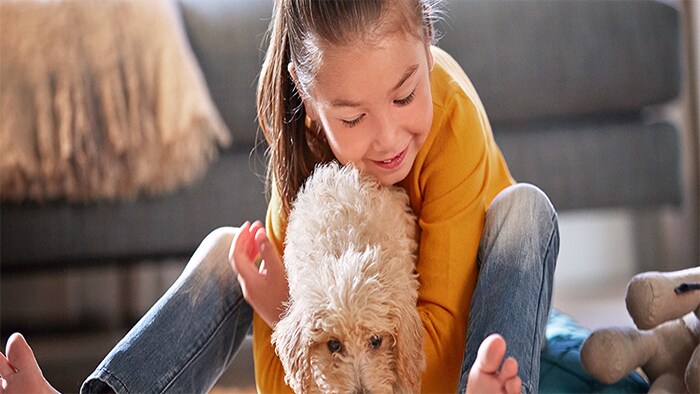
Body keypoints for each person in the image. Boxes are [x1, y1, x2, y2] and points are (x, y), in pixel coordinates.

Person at [1, 0, 558, 393]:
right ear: (310, 103)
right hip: (349, 371)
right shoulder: (303, 151)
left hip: (464, 355)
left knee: (525, 209)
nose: (388, 137)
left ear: (429, 50)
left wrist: (285, 307)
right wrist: (285, 316)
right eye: (353, 117)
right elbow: (285, 371)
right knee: (231, 252)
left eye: (406, 95)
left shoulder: (450, 122)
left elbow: (431, 348)